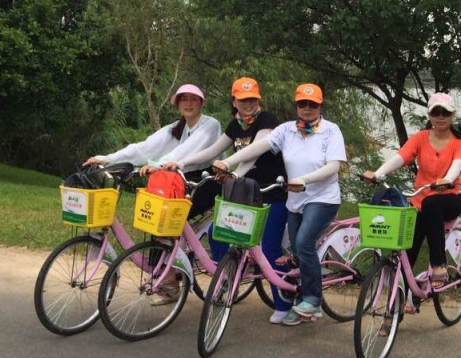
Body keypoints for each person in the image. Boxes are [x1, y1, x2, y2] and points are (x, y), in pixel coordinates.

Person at [208, 83, 347, 327]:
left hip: (322, 197)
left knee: (303, 242)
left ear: (320, 105)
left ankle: (313, 299)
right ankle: (298, 302)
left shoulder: (331, 130)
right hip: (295, 200)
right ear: (296, 105)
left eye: (312, 104)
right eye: (302, 103)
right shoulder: (286, 130)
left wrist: (305, 179)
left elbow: (334, 166)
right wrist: (228, 163)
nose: (307, 108)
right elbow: (257, 148)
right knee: (296, 252)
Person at [161, 77, 291, 322]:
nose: (248, 104)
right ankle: (227, 276)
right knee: (217, 232)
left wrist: (230, 170)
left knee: (270, 248)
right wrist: (181, 162)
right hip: (245, 192)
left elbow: (254, 152)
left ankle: (284, 304)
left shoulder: (267, 121)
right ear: (234, 102)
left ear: (258, 100)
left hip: (272, 192)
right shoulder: (235, 124)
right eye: (242, 100)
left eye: (252, 99)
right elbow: (213, 151)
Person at [363, 92, 461, 312]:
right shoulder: (420, 138)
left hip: (450, 199)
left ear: (452, 115)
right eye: (435, 112)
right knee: (406, 253)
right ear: (429, 114)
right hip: (420, 203)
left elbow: (458, 164)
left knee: (432, 204)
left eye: (445, 113)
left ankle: (439, 265)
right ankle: (397, 310)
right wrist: (378, 173)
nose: (440, 117)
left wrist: (448, 179)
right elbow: (401, 156)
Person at [84, 84, 222, 175]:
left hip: (206, 182)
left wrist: (159, 165)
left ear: (201, 103)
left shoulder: (211, 125)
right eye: (184, 99)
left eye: (194, 99)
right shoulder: (176, 127)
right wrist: (108, 159)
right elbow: (145, 148)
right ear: (178, 103)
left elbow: (188, 149)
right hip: (178, 182)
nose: (189, 103)